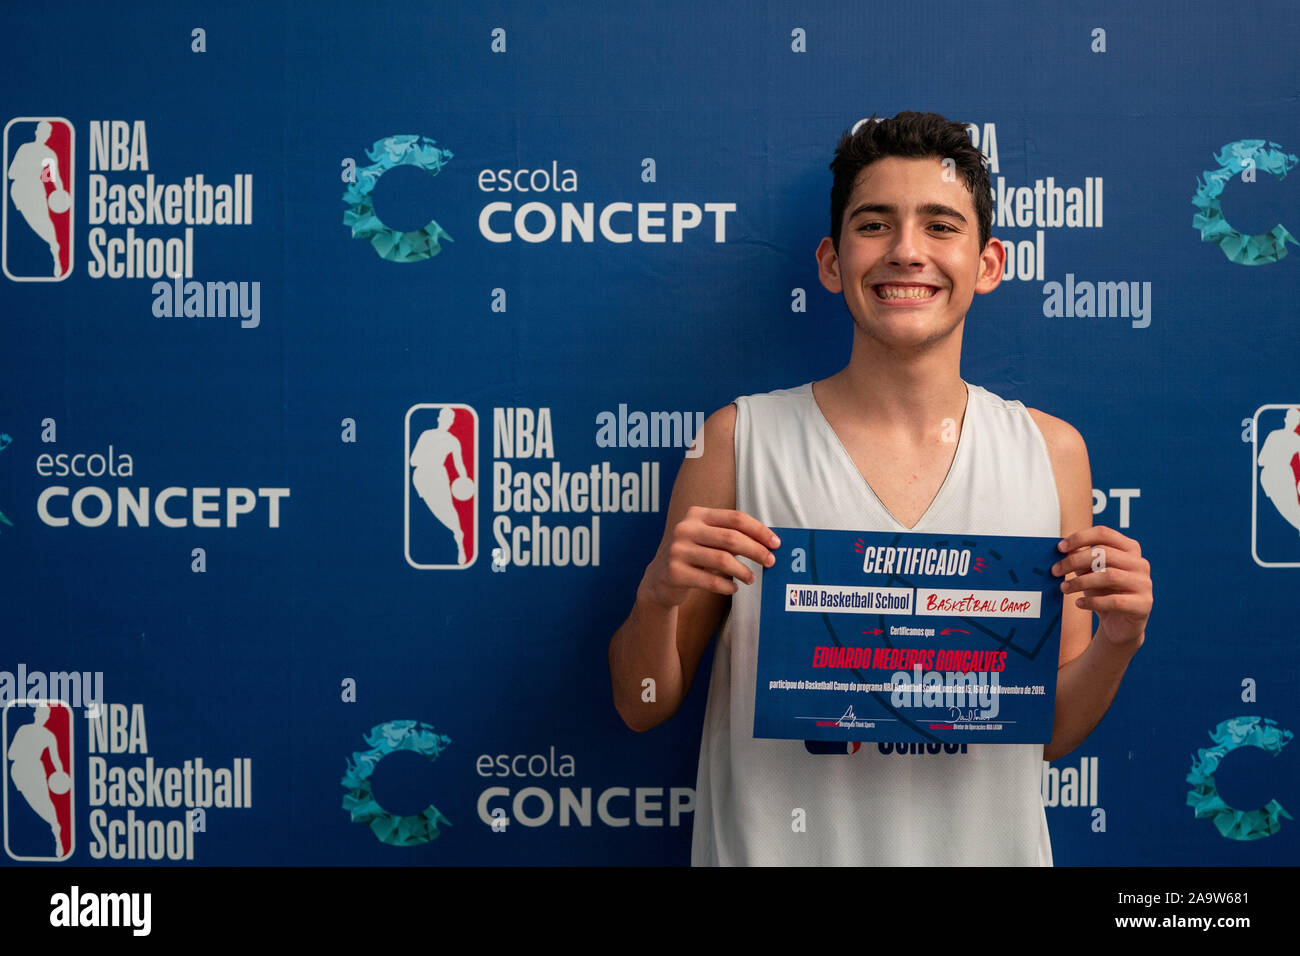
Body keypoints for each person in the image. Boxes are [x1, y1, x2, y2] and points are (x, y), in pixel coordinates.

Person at [607, 111, 1153, 865]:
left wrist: (1119, 644)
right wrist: (655, 599)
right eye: (875, 224)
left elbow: (1049, 733)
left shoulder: (1051, 452)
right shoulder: (739, 440)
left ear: (988, 263)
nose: (906, 252)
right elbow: (642, 705)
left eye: (940, 225)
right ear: (832, 263)